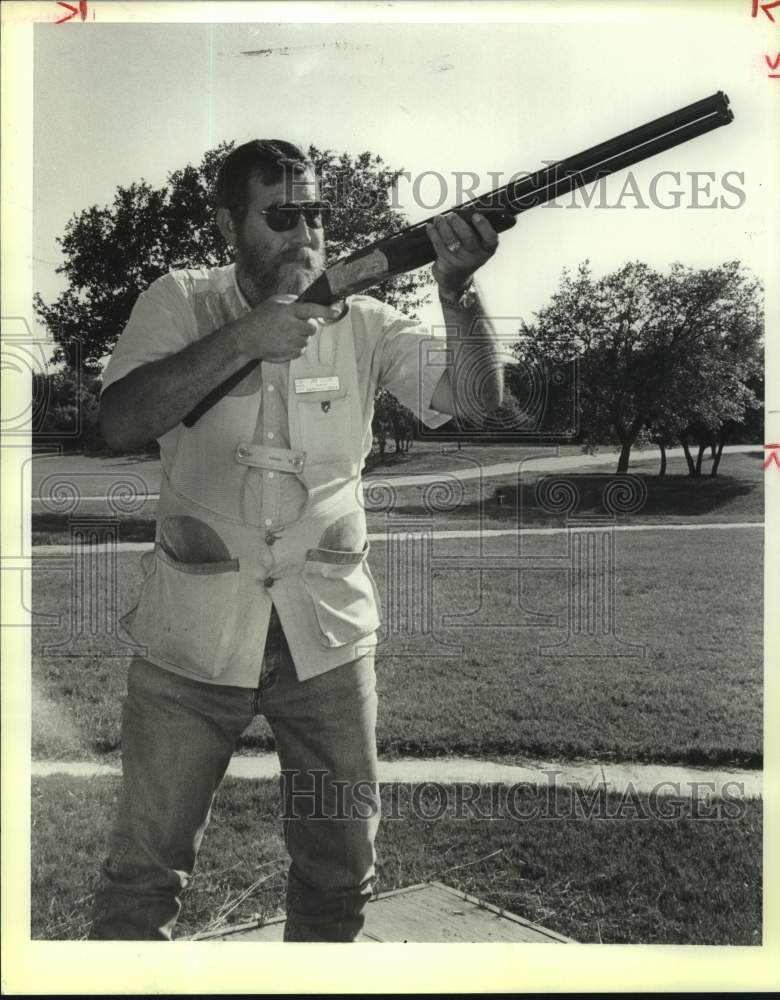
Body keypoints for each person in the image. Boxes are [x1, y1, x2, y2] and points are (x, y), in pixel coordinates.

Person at [90, 139, 507, 941]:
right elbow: (121, 420)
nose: (306, 234)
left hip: (329, 641)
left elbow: (483, 407)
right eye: (281, 217)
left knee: (339, 872)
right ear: (228, 225)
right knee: (143, 879)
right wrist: (250, 336)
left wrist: (459, 292)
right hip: (190, 645)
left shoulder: (368, 320)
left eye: (316, 214)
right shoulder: (179, 300)